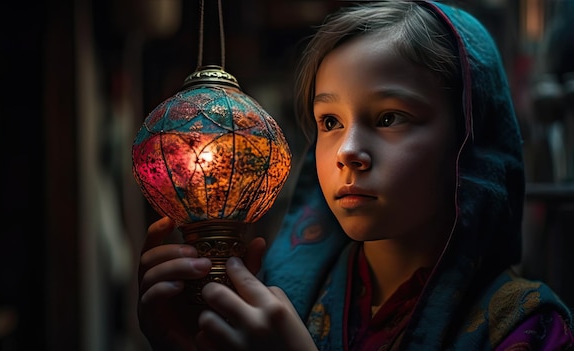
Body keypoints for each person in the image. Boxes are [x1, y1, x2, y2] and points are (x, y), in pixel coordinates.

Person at [136, 1, 574, 350]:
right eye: (329, 122)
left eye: (388, 118)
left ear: (468, 142)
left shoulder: (527, 328)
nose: (348, 152)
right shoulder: (277, 301)